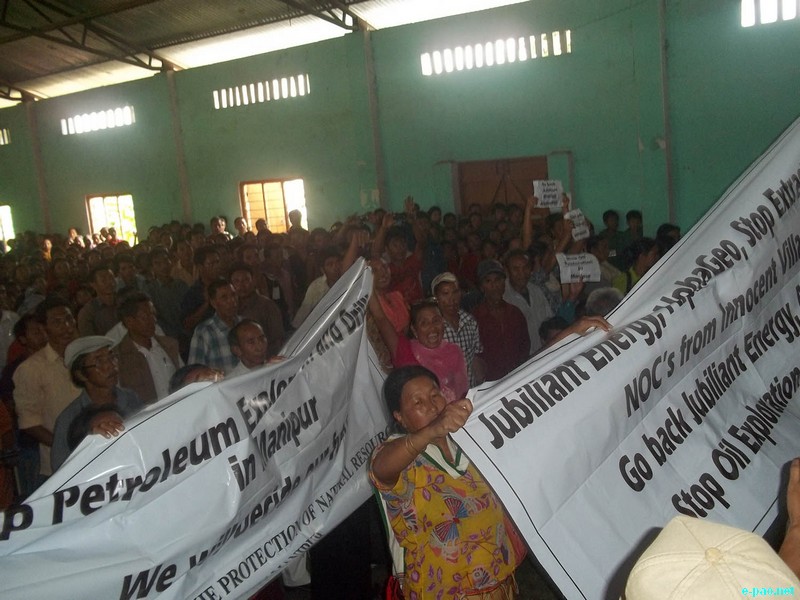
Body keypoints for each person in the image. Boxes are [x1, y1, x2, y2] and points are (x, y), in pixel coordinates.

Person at [370, 366, 525, 599]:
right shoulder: (400, 457)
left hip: (498, 583)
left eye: (435, 395)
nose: (432, 406)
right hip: (444, 593)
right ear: (399, 417)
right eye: (418, 402)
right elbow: (381, 469)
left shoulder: (469, 440)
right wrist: (432, 430)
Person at [51, 336, 143, 471]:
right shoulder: (69, 418)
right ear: (81, 374)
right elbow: (62, 470)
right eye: (99, 362)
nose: (110, 366)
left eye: (112, 357)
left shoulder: (132, 399)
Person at [13, 296, 80, 481]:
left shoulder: (85, 357)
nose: (66, 327)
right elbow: (30, 423)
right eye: (57, 322)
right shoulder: (31, 369)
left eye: (69, 319)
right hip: (59, 463)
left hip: (97, 452)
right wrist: (66, 446)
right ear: (44, 329)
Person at [369, 291, 468, 405]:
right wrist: (366, 283)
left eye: (436, 321)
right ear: (414, 330)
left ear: (443, 323)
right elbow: (380, 318)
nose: (432, 328)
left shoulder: (454, 351)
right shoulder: (405, 350)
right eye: (424, 323)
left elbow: (463, 393)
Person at [116, 292, 182, 404]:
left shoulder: (169, 346)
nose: (153, 320)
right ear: (129, 322)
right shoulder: (119, 358)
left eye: (153, 314)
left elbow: (183, 378)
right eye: (145, 316)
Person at [472, 260, 530, 381]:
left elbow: (524, 346)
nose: (494, 286)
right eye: (488, 281)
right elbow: (475, 357)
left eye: (498, 280)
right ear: (481, 287)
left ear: (504, 283)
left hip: (518, 378)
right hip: (491, 383)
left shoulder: (515, 313)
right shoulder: (475, 318)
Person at [431, 271, 485, 387]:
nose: (451, 299)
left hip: (471, 389)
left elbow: (475, 356)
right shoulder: (433, 328)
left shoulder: (470, 321)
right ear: (436, 298)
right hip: (446, 392)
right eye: (445, 294)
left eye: (455, 292)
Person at [188, 279, 241, 374]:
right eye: (224, 298)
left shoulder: (245, 324)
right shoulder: (204, 332)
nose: (232, 301)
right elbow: (195, 371)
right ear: (213, 303)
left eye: (233, 295)